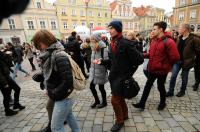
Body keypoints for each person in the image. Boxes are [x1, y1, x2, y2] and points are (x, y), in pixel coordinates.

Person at [94, 20, 143, 131]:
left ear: (118, 29)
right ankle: (125, 115)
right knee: (120, 98)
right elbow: (113, 61)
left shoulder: (126, 43)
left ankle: (119, 121)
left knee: (114, 100)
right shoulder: (112, 43)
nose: (109, 31)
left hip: (122, 77)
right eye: (109, 28)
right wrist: (102, 61)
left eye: (112, 28)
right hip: (114, 76)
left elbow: (139, 59)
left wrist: (128, 73)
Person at [32, 29, 80, 132]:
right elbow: (55, 72)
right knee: (69, 116)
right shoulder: (50, 53)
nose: (39, 48)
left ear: (45, 41)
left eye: (39, 44)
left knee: (56, 127)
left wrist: (53, 93)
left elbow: (67, 81)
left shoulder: (58, 55)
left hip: (64, 96)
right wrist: (41, 76)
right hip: (60, 93)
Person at [133, 21, 180, 110]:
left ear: (161, 29)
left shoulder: (169, 42)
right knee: (147, 86)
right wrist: (142, 54)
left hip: (162, 70)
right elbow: (151, 54)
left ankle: (163, 102)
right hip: (152, 68)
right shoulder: (154, 40)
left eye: (154, 29)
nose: (152, 31)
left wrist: (165, 65)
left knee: (160, 86)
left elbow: (176, 57)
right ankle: (142, 103)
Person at [166, 23, 200, 97]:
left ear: (185, 29)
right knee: (173, 76)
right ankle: (170, 91)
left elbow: (198, 51)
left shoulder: (194, 39)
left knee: (184, 78)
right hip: (177, 61)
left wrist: (193, 60)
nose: (179, 29)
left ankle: (182, 91)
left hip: (187, 62)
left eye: (180, 28)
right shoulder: (179, 37)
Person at [0, 50, 25, 116]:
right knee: (6, 95)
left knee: (17, 89)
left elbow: (9, 64)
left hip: (7, 76)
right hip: (2, 79)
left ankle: (16, 104)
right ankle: (7, 111)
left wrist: (8, 56)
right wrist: (4, 83)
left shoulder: (2, 54)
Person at [89, 33, 108, 109]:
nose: (91, 40)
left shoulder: (103, 47)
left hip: (100, 70)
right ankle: (97, 100)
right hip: (93, 70)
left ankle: (104, 102)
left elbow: (106, 60)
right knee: (91, 86)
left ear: (96, 39)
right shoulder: (93, 46)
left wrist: (100, 61)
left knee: (101, 88)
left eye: (92, 39)